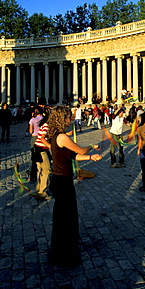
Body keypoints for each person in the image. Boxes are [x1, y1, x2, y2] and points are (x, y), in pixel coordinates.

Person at [48, 106, 102, 267]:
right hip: (62, 181)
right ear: (62, 118)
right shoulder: (62, 137)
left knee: (64, 217)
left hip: (61, 180)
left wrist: (90, 157)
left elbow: (74, 156)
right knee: (66, 218)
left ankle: (61, 249)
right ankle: (63, 254)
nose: (70, 120)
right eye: (68, 117)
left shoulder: (57, 136)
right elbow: (80, 149)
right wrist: (92, 146)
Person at [33, 115, 52, 200]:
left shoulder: (44, 125)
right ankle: (42, 192)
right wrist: (50, 146)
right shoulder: (47, 126)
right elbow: (42, 138)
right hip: (41, 151)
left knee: (40, 170)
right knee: (46, 171)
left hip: (37, 150)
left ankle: (38, 189)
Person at [29, 106, 43, 181]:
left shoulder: (32, 120)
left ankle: (32, 174)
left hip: (35, 137)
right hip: (43, 137)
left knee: (34, 155)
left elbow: (31, 131)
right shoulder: (44, 119)